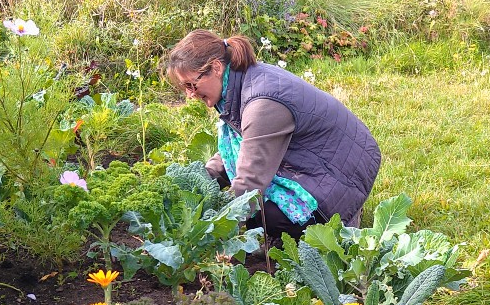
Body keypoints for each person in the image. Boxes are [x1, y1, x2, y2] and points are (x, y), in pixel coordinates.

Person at [162, 30, 381, 242]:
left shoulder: (262, 103)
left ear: (216, 67)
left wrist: (214, 228)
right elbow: (244, 148)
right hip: (321, 160)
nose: (190, 95)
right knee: (254, 207)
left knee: (264, 216)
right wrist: (201, 181)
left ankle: (336, 218)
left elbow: (251, 182)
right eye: (185, 88)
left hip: (342, 173)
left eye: (192, 85)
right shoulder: (239, 82)